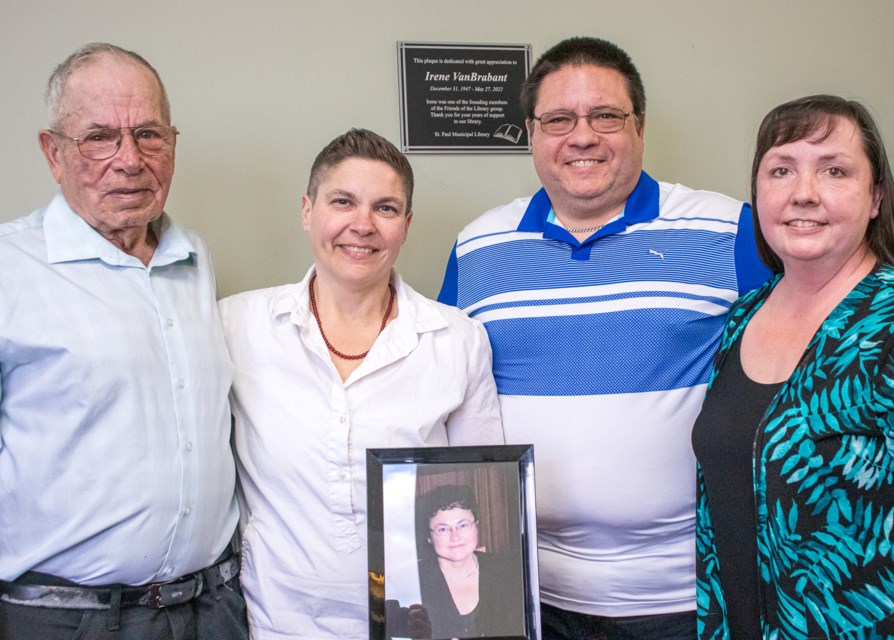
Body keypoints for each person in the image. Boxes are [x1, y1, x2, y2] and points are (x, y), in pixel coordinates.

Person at [438, 36, 770, 638]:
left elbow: (801, 377)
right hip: (531, 595)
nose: (582, 136)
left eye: (606, 116)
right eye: (558, 119)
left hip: (689, 592)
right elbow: (437, 393)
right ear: (532, 133)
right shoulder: (477, 247)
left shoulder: (730, 230)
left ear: (639, 127)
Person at [0, 43, 245, 639]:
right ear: (52, 152)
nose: (130, 160)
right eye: (100, 137)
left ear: (174, 144)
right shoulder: (10, 266)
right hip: (65, 619)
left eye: (149, 135)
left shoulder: (195, 258)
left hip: (210, 611)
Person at [692, 95, 894, 639]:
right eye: (781, 170)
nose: (803, 194)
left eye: (834, 170)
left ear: (876, 197)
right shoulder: (745, 315)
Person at [221, 128, 505, 639]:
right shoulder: (237, 327)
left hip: (420, 625)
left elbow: (485, 489)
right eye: (343, 201)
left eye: (386, 208)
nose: (362, 225)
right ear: (308, 211)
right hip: (277, 623)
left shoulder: (458, 340)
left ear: (406, 224)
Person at [408, 484, 524, 639]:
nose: (455, 537)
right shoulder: (412, 581)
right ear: (429, 537)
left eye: (463, 525)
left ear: (476, 526)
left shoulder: (510, 573)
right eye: (443, 529)